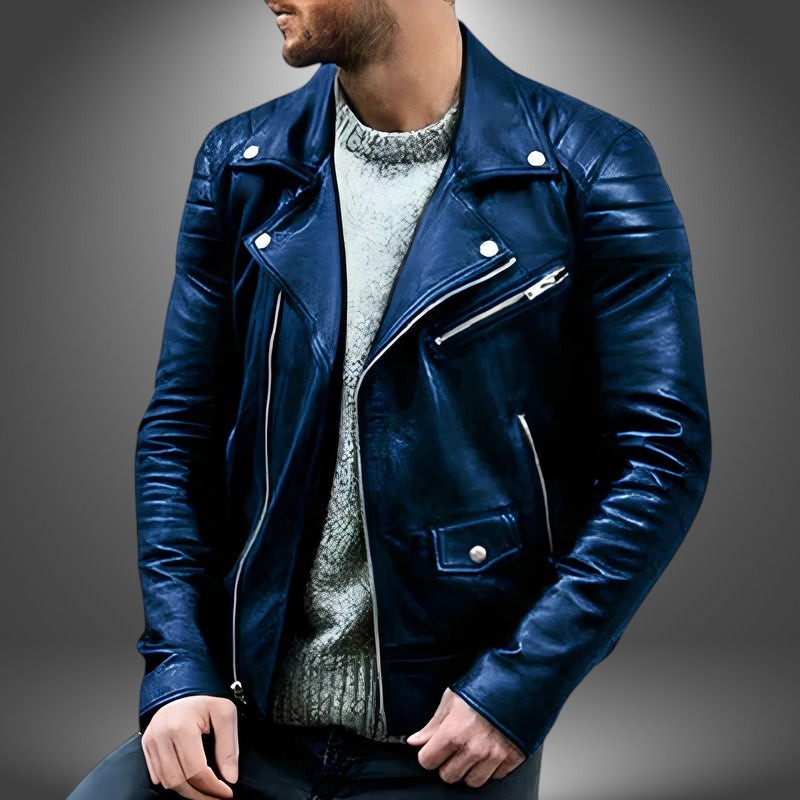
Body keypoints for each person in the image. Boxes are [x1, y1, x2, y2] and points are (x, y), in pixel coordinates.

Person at [67, 0, 712, 798]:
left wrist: (518, 688)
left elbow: (662, 455)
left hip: (443, 744)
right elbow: (179, 433)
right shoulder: (244, 163)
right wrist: (178, 668)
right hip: (239, 724)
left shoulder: (589, 164)